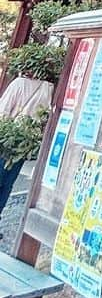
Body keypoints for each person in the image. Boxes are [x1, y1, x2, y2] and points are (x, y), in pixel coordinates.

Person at [0, 63, 55, 219]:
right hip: (24, 144)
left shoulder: (19, 83)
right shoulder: (48, 88)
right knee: (7, 184)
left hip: (6, 140)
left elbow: (2, 112)